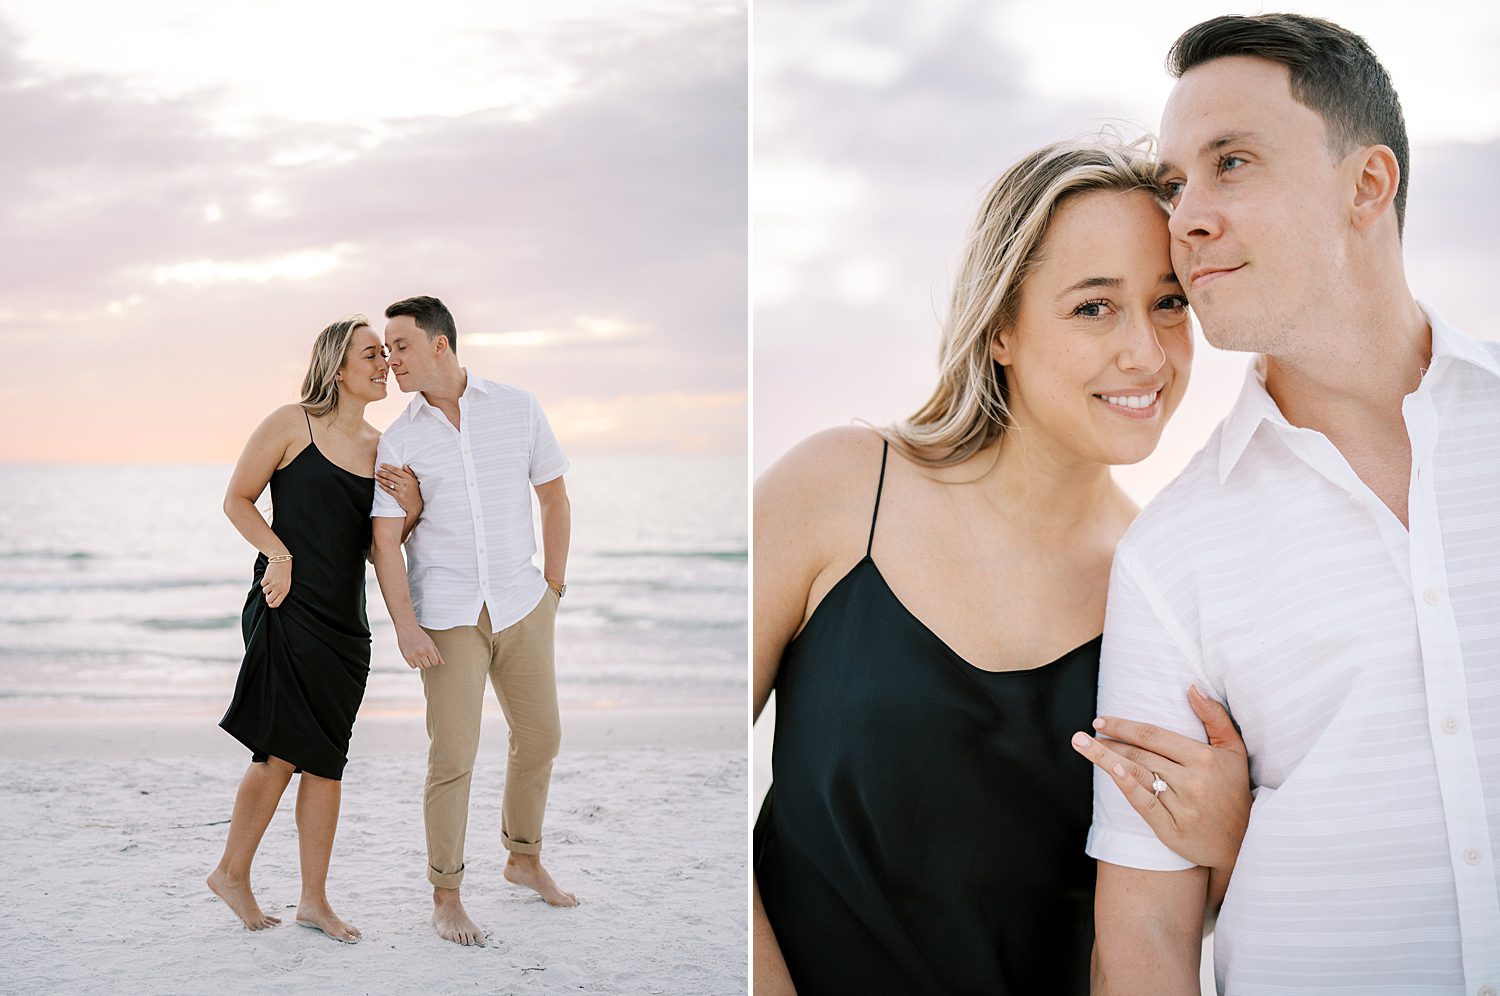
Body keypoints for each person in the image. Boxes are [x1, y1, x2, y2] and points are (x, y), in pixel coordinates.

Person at [753, 140, 1254, 995]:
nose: (1147, 353)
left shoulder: (1169, 586)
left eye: (1168, 303)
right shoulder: (839, 487)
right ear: (1002, 329)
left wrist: (1236, 837)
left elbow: (1148, 938)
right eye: (1095, 307)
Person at [1087, 14, 1500, 995]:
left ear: (1368, 184)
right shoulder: (1169, 553)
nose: (1185, 217)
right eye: (1175, 183)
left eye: (1231, 163)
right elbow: (1142, 939)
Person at [368, 295, 575, 948]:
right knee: (454, 755)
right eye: (385, 347)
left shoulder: (517, 407)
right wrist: (405, 626)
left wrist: (554, 588)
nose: (389, 359)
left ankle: (523, 856)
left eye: (400, 345)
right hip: (449, 618)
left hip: (522, 603)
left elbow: (554, 496)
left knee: (540, 738)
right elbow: (385, 541)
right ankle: (446, 893)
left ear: (439, 345)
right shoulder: (400, 437)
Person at [209, 316, 424, 941]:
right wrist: (278, 553)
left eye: (385, 355)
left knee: (327, 761)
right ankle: (231, 873)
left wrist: (409, 509)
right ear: (337, 366)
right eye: (371, 355)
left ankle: (312, 901)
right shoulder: (289, 423)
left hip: (344, 623)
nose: (384, 364)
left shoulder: (384, 449)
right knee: (279, 754)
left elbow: (372, 548)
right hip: (285, 607)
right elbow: (237, 500)